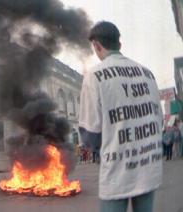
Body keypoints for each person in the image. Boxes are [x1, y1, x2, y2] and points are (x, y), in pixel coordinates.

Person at [79, 21, 163, 212]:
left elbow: (90, 133)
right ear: (119, 44)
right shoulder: (147, 74)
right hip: (148, 166)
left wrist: (103, 147)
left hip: (117, 171)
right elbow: (158, 120)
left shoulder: (94, 77)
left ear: (97, 46)